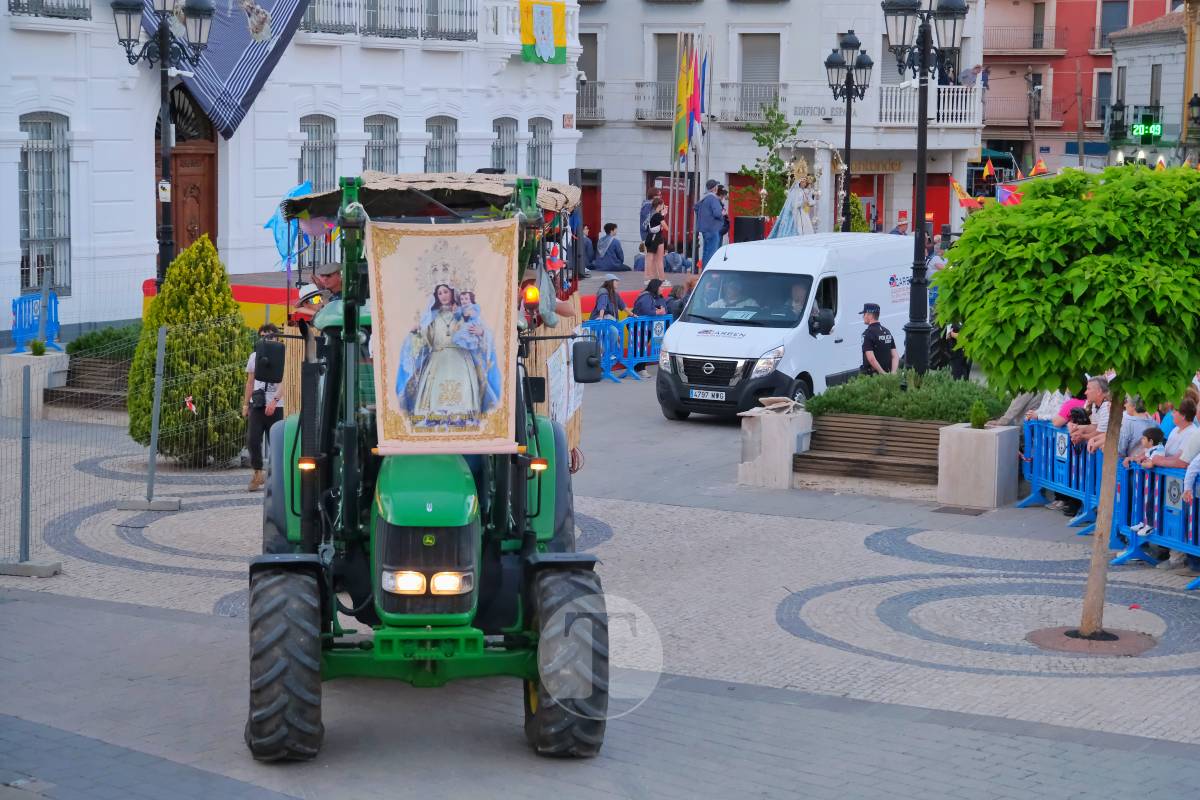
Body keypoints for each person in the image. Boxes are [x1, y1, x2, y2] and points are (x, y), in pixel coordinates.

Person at [243, 324, 284, 492]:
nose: (266, 339)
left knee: (275, 442)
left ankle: (276, 477)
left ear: (276, 337)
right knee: (252, 439)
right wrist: (246, 403)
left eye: (270, 336)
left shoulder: (282, 355)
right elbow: (250, 381)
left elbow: (285, 381)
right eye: (263, 336)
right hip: (257, 403)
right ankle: (257, 472)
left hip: (276, 405)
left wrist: (274, 401)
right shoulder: (255, 356)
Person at [859, 303, 898, 375]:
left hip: (873, 376)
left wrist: (883, 373)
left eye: (864, 314)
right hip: (888, 372)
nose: (863, 316)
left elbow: (871, 358)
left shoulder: (867, 334)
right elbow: (895, 356)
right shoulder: (887, 331)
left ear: (869, 315)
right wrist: (893, 372)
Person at [695, 179, 724, 268]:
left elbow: (696, 208)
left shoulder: (704, 198)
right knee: (712, 252)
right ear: (714, 188)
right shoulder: (713, 199)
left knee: (706, 252)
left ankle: (704, 271)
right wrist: (722, 213)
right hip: (712, 229)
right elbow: (717, 213)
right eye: (717, 186)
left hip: (704, 229)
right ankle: (710, 273)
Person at [644, 199, 668, 281]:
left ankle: (652, 278)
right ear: (659, 205)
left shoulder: (652, 214)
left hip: (652, 237)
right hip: (656, 237)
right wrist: (663, 215)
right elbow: (666, 227)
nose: (664, 206)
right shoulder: (658, 215)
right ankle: (661, 279)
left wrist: (663, 215)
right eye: (663, 205)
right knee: (657, 260)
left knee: (652, 259)